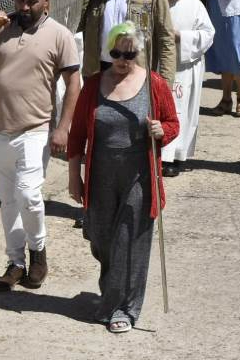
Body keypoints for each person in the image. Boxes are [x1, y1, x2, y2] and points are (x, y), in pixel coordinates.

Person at [0, 0, 81, 291]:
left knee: (28, 195)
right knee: (8, 201)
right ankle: (15, 262)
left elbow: (74, 84)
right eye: (19, 0)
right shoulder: (0, 28)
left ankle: (38, 252)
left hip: (35, 130)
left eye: (31, 2)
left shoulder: (60, 35)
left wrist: (64, 127)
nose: (24, 7)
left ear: (47, 1)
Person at [67, 21, 179, 333]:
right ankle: (112, 293)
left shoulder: (154, 85)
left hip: (139, 176)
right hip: (100, 174)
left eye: (128, 55)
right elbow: (77, 134)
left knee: (130, 242)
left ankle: (124, 308)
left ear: (139, 53)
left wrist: (162, 130)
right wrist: (74, 176)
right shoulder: (94, 85)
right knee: (102, 240)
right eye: (116, 53)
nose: (121, 60)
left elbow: (172, 123)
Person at [159, 0, 214, 177]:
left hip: (185, 68)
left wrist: (181, 36)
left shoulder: (195, 6)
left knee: (181, 111)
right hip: (160, 66)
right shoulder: (156, 2)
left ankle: (175, 157)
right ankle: (158, 154)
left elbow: (208, 34)